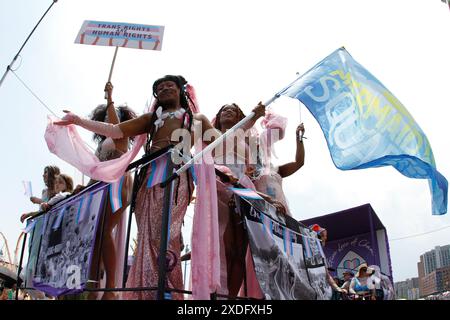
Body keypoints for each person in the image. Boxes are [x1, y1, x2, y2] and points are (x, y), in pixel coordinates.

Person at [54, 75, 217, 300]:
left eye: (170, 85)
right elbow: (115, 130)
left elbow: (222, 144)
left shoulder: (196, 119)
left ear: (181, 91)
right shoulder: (151, 118)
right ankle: (145, 291)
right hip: (147, 179)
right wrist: (79, 120)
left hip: (176, 178)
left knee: (166, 235)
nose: (164, 89)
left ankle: (167, 291)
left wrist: (244, 139)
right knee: (146, 237)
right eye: (159, 88)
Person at [79, 82, 137, 300]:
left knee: (104, 231)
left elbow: (115, 126)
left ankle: (111, 288)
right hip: (98, 186)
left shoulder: (120, 135)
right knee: (95, 235)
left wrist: (109, 98)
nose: (106, 122)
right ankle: (93, 286)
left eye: (109, 117)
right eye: (103, 119)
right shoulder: (102, 143)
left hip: (118, 184)